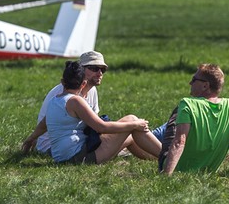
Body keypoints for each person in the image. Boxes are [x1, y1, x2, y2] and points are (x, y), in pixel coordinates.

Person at [23, 50, 164, 159]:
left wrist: (30, 139)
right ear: (81, 69)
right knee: (131, 123)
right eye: (94, 68)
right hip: (56, 149)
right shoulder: (67, 95)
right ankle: (167, 156)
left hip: (76, 145)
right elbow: (99, 127)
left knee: (129, 133)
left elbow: (93, 128)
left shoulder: (87, 91)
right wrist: (133, 125)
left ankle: (162, 158)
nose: (99, 73)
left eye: (102, 69)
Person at [159, 63, 229, 175]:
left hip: (177, 168)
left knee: (169, 122)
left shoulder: (187, 104)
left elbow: (179, 141)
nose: (190, 83)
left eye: (194, 79)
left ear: (205, 86)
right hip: (207, 171)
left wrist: (166, 174)